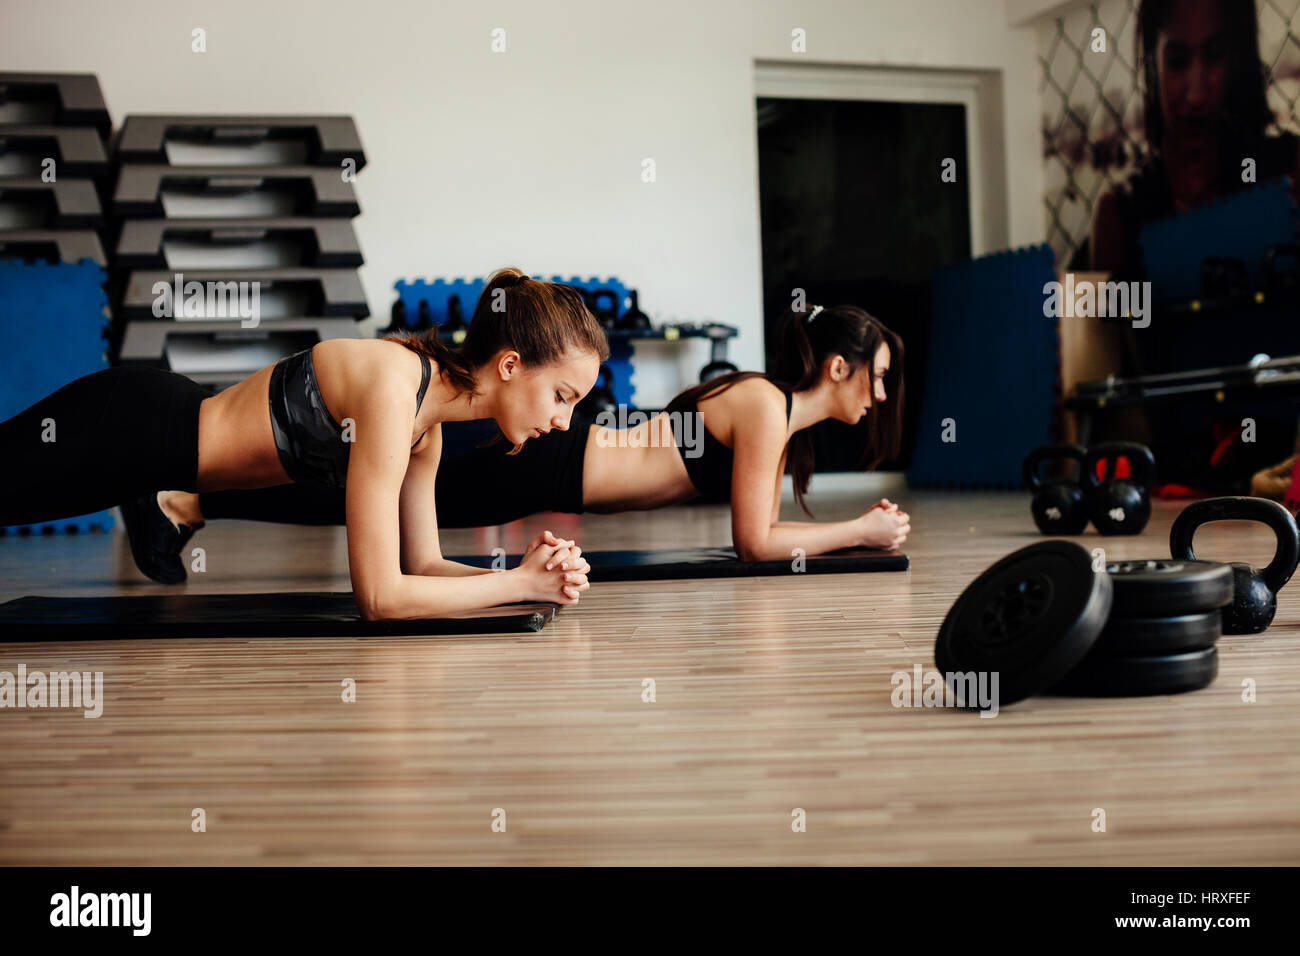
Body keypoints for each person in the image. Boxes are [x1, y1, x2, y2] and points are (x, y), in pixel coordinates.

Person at [134, 301, 909, 580]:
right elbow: (755, 542)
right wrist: (864, 531)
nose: (878, 396)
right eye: (875, 378)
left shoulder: (769, 411)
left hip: (556, 470)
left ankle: (192, 500)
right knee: (367, 496)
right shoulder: (766, 405)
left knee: (366, 494)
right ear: (837, 368)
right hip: (553, 461)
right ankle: (185, 495)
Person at [0, 268, 607, 620]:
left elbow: (420, 567)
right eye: (562, 396)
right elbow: (378, 596)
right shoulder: (394, 390)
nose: (563, 421)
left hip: (145, 452)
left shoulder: (428, 432)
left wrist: (525, 573)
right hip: (128, 426)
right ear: (508, 366)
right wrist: (516, 587)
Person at [1089, 0, 1299, 276]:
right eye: (1177, 61)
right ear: (1152, 62)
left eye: (1214, 55)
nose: (1195, 93)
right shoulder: (1117, 216)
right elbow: (1092, 316)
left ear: (1238, 60)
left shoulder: (1290, 173)